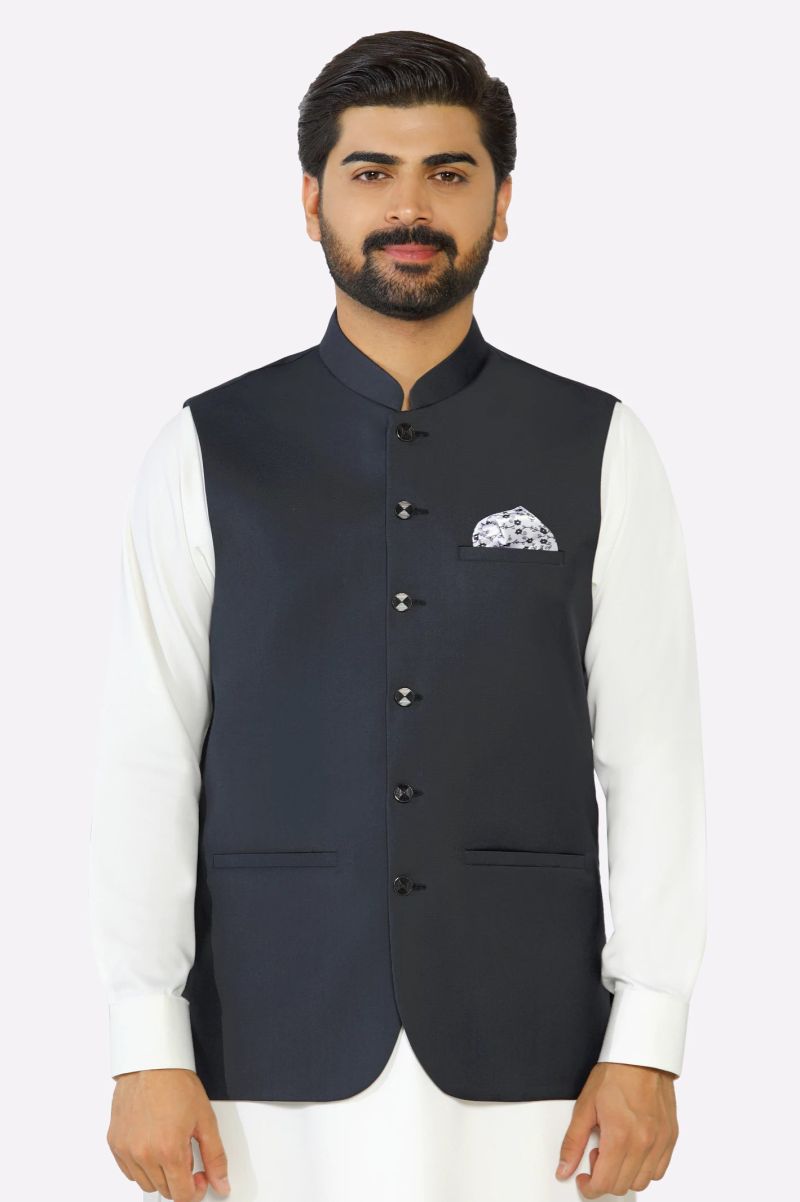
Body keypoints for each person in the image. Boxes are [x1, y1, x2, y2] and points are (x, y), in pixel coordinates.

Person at [89, 29, 707, 1202]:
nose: (408, 208)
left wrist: (646, 1038)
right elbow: (146, 753)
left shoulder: (596, 444)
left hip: (532, 1049)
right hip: (259, 1043)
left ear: (501, 203)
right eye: (371, 172)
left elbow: (653, 755)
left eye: (448, 172)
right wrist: (143, 1038)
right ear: (311, 200)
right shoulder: (208, 446)